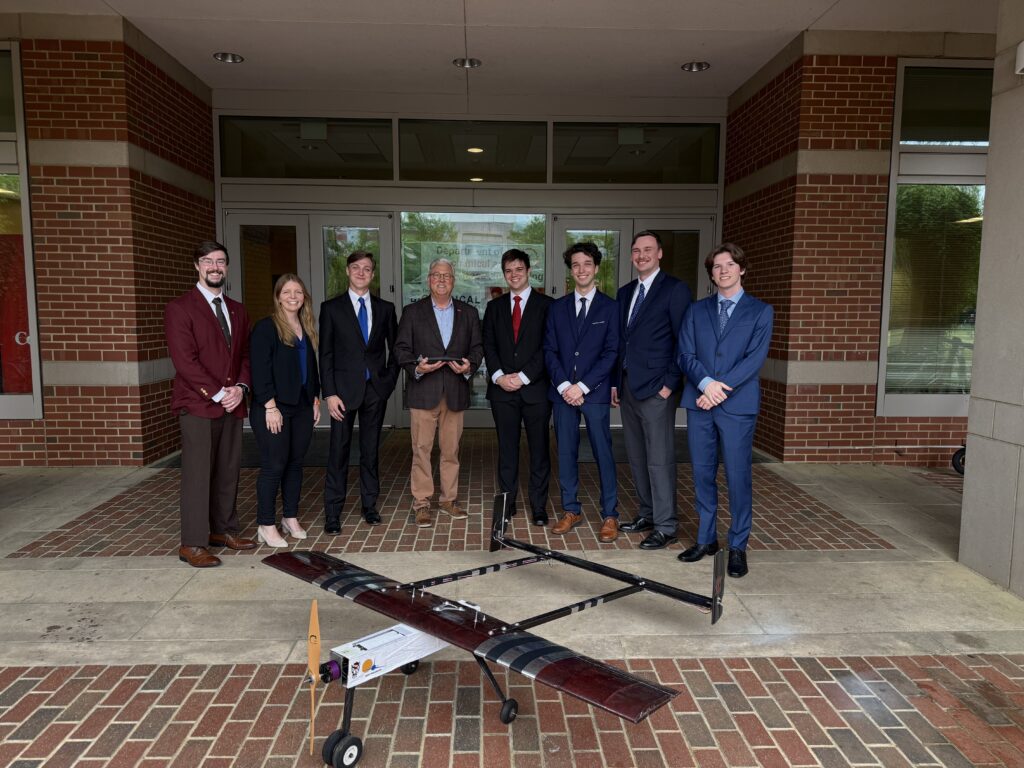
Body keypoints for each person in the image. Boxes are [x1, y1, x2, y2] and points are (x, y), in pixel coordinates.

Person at [677, 243, 773, 578]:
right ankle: (706, 539)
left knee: (737, 476)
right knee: (702, 474)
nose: (723, 271)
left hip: (736, 407)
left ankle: (738, 546)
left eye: (729, 265)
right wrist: (705, 383)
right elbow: (685, 354)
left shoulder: (760, 312)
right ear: (711, 274)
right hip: (699, 403)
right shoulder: (696, 310)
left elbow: (754, 361)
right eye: (717, 267)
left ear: (742, 269)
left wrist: (717, 390)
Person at [164, 240, 256, 567]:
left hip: (232, 404)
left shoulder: (237, 309)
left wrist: (241, 388)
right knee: (198, 474)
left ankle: (223, 530)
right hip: (198, 405)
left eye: (220, 261)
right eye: (208, 261)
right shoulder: (181, 308)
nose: (215, 267)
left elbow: (245, 354)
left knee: (228, 470)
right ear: (197, 266)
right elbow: (185, 362)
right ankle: (192, 542)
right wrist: (219, 393)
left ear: (226, 268)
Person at [613, 230, 691, 550]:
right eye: (636, 250)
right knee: (636, 454)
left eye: (648, 249)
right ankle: (647, 513)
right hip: (629, 386)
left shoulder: (675, 290)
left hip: (657, 389)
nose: (641, 255)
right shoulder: (625, 292)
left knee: (659, 458)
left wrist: (670, 384)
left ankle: (666, 525)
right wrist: (617, 383)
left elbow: (683, 341)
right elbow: (622, 342)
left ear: (660, 253)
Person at [394, 258, 483, 527]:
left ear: (453, 281)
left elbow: (478, 348)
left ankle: (448, 500)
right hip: (424, 391)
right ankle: (422, 503)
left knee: (451, 450)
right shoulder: (413, 312)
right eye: (436, 275)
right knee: (421, 450)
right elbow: (401, 350)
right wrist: (417, 367)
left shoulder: (467, 313)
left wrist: (469, 366)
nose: (441, 279)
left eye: (446, 275)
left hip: (455, 391)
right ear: (428, 280)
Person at [543, 242, 620, 542]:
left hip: (595, 393)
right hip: (563, 394)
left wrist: (583, 386)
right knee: (566, 452)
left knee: (603, 453)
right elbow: (549, 350)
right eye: (576, 265)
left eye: (587, 264)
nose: (582, 269)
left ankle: (610, 514)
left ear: (596, 268)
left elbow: (611, 352)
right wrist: (565, 386)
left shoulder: (610, 308)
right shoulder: (557, 308)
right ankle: (570, 509)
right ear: (570, 270)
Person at [319, 251, 399, 533]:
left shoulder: (386, 308)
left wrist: (387, 383)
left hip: (374, 391)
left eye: (367, 269)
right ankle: (332, 512)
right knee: (338, 452)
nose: (361, 272)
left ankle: (369, 505)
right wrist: (329, 393)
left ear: (373, 274)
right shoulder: (331, 308)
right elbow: (325, 354)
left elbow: (397, 349)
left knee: (369, 451)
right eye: (356, 268)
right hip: (341, 394)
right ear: (347, 271)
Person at [483, 249, 554, 526]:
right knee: (507, 450)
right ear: (504, 274)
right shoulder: (494, 307)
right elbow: (488, 344)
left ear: (528, 271)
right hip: (502, 392)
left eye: (519, 270)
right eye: (509, 271)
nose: (514, 275)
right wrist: (500, 376)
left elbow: (548, 347)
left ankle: (538, 506)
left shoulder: (547, 305)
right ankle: (507, 502)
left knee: (539, 450)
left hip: (535, 390)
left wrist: (523, 377)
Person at [249, 274, 321, 547]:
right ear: (278, 296)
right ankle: (266, 524)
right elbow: (259, 369)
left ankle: (290, 517)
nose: (293, 296)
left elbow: (310, 368)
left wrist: (315, 399)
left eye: (298, 292)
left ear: (304, 297)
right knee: (273, 465)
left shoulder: (306, 325)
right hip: (274, 407)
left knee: (295, 463)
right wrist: (270, 406)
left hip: (302, 406)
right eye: (287, 292)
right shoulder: (266, 328)